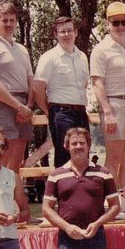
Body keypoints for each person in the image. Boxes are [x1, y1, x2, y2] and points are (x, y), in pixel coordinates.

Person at [42, 127, 120, 249]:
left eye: (82, 143)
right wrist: (67, 228)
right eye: (74, 143)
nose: (78, 147)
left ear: (88, 145)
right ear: (66, 146)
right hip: (68, 240)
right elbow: (46, 209)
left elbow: (115, 206)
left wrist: (98, 223)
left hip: (95, 237)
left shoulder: (103, 174)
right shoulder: (56, 175)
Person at [0, 1, 35, 172]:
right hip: (0, 106)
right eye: (5, 20)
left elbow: (31, 80)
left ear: (17, 22)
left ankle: (12, 200)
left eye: (12, 20)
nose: (9, 24)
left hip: (23, 109)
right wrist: (18, 106)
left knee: (14, 167)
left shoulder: (22, 49)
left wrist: (28, 107)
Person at [90, 1, 125, 192]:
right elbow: (97, 83)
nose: (120, 26)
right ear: (107, 23)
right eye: (115, 23)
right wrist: (107, 112)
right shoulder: (101, 50)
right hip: (114, 105)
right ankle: (109, 202)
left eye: (124, 22)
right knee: (114, 158)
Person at [32, 16, 90, 168]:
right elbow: (38, 88)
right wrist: (50, 111)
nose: (66, 35)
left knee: (83, 154)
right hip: (61, 112)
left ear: (76, 32)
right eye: (62, 31)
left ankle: (81, 191)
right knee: (65, 157)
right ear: (55, 34)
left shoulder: (82, 57)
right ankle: (62, 191)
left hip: (81, 112)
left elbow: (83, 84)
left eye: (70, 30)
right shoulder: (49, 58)